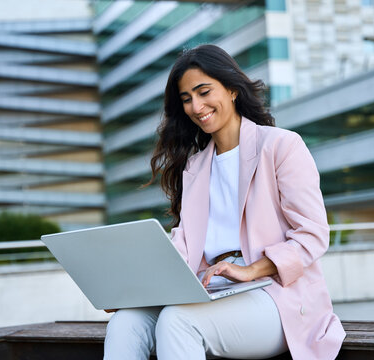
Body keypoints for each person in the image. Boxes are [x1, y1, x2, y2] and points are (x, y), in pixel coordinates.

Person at [104, 44, 345, 360]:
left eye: (204, 92)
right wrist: (136, 289)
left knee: (178, 321)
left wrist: (251, 270)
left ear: (232, 89)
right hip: (210, 289)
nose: (196, 106)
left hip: (275, 295)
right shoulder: (195, 167)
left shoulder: (281, 146)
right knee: (125, 322)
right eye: (187, 99)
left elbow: (313, 234)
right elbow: (184, 245)